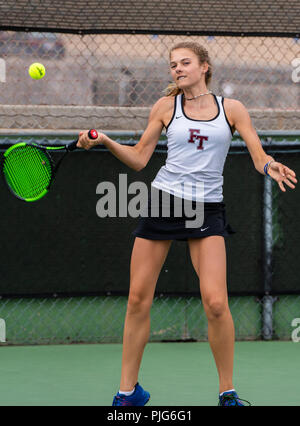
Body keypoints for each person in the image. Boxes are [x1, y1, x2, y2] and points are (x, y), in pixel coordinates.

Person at [77, 41, 297, 406]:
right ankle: (128, 393)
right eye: (172, 65)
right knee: (136, 300)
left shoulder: (233, 109)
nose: (177, 69)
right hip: (163, 202)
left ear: (204, 67)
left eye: (184, 63)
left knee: (215, 303)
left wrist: (270, 165)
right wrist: (107, 141)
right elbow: (139, 159)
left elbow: (258, 155)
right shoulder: (165, 107)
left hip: (207, 209)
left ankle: (227, 393)